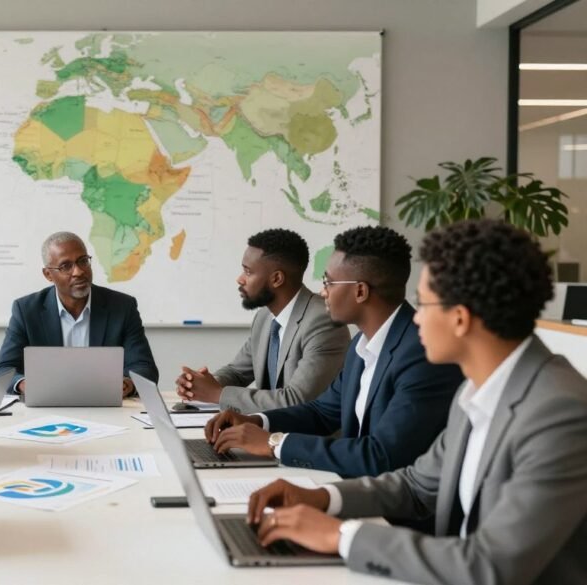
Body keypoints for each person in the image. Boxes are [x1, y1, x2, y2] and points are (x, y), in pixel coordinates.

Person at [244, 220, 587, 585]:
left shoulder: (559, 413)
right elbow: (416, 485)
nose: (416, 316)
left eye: (424, 303)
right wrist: (321, 499)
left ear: (459, 318)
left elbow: (491, 565)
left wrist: (340, 536)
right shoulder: (477, 392)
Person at [205, 226, 464, 479]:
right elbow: (322, 412)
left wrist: (275, 443)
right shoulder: (361, 345)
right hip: (354, 487)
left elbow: (381, 455)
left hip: (392, 508)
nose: (322, 291)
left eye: (328, 282)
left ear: (360, 291)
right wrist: (256, 421)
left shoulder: (422, 355)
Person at [176, 228, 350, 411]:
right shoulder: (265, 317)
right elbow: (237, 372)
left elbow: (296, 400)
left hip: (306, 437)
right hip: (267, 431)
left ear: (276, 279)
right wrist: (200, 385)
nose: (240, 279)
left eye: (248, 272)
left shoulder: (323, 321)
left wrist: (217, 394)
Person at [0, 231, 158, 396]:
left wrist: (127, 383)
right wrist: (26, 385)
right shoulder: (27, 310)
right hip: (48, 407)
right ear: (48, 274)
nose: (78, 272)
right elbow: (3, 370)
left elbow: (144, 367)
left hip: (106, 407)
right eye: (66, 266)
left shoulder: (122, 307)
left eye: (83, 261)